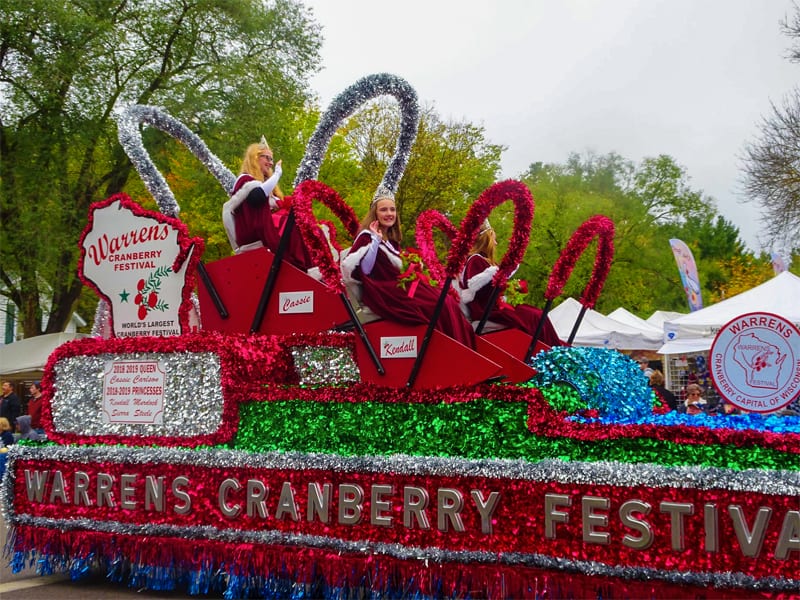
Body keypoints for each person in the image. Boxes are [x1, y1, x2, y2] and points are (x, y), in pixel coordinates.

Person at [341, 187, 476, 349]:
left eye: (392, 209)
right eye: (383, 210)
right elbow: (365, 270)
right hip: (385, 291)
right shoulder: (367, 236)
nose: (389, 213)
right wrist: (375, 242)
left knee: (447, 300)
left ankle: (459, 349)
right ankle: (444, 349)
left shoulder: (391, 240)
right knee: (436, 305)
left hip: (400, 287)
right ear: (374, 214)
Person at [458, 220, 561, 347]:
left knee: (533, 312)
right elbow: (478, 288)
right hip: (487, 310)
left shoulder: (483, 261)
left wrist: (509, 288)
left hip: (493, 307)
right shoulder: (475, 260)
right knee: (535, 316)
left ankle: (553, 347)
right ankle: (551, 349)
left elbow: (491, 285)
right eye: (494, 240)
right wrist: (501, 282)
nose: (495, 243)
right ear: (486, 241)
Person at [222, 138, 312, 272]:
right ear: (255, 157)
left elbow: (273, 201)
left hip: (260, 227)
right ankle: (301, 264)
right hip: (253, 231)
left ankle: (309, 265)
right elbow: (257, 197)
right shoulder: (245, 180)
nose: (270, 163)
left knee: (303, 223)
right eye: (267, 158)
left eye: (271, 160)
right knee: (290, 224)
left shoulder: (259, 184)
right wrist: (277, 174)